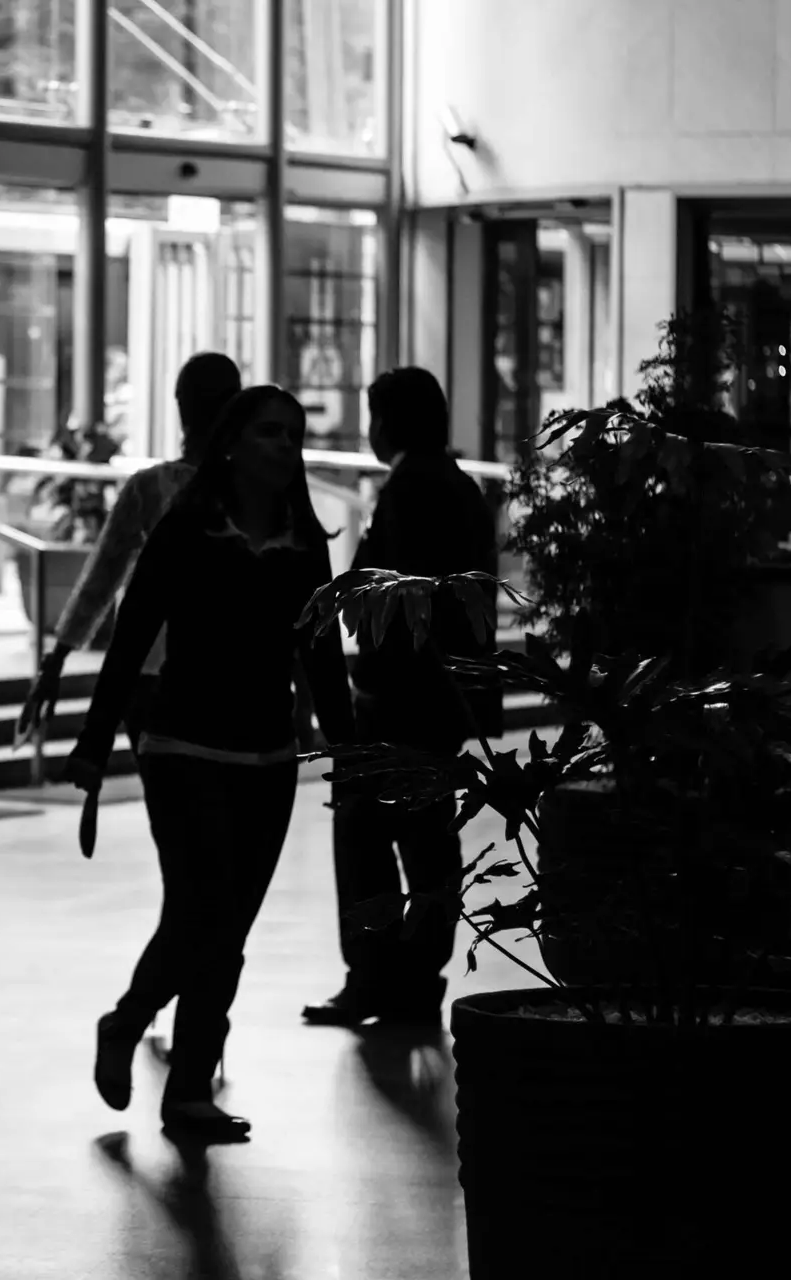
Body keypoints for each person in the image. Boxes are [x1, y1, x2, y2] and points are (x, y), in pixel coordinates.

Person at [63, 385, 356, 1144]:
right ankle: (135, 1030)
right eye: (268, 433)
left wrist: (352, 748)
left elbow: (319, 650)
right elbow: (132, 637)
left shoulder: (301, 538)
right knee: (203, 913)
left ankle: (184, 1086)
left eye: (292, 434)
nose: (284, 446)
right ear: (230, 441)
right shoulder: (188, 526)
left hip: (267, 754)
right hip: (184, 745)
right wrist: (94, 743)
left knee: (224, 929)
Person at [301, 366, 500, 1030]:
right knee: (427, 840)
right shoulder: (462, 488)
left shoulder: (411, 488)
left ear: (390, 421)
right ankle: (417, 982)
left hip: (399, 696)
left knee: (362, 834)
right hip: (444, 698)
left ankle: (373, 976)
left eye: (373, 414)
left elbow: (396, 603)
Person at [16, 352, 243, 747]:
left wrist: (55, 661)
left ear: (180, 406)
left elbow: (100, 579)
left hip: (153, 673)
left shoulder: (151, 489)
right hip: (236, 677)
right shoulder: (257, 491)